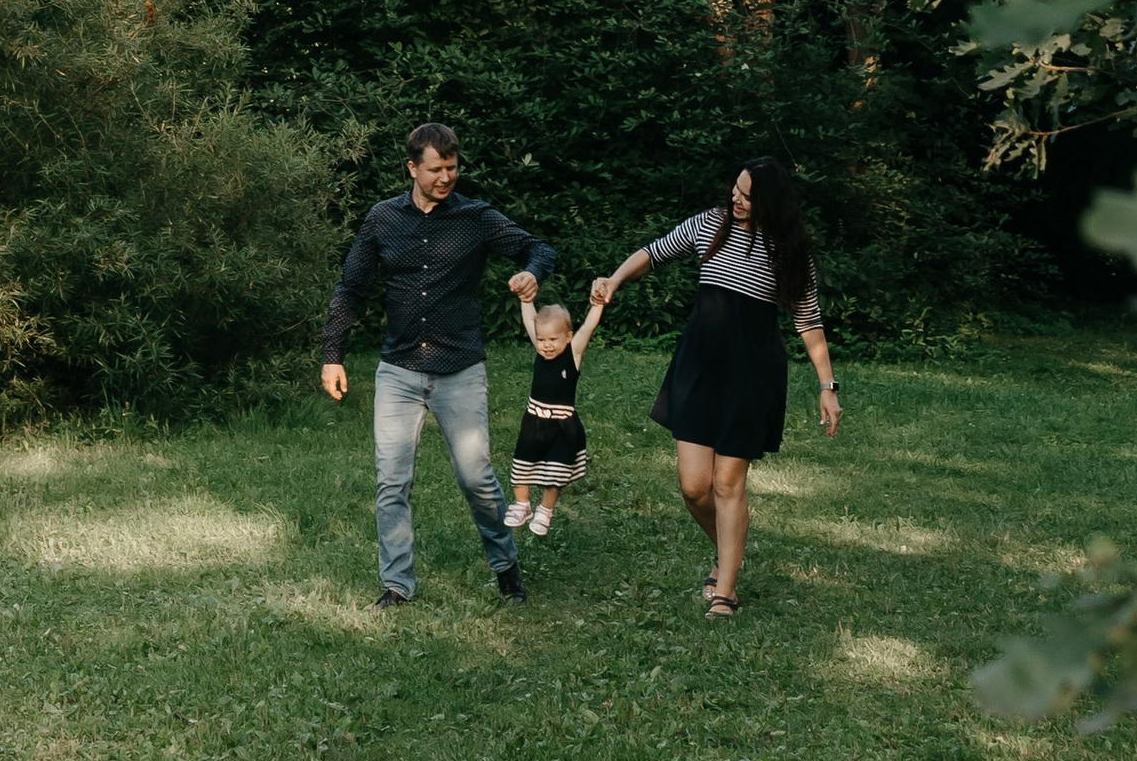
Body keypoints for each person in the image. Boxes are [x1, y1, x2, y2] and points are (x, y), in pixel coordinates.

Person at [320, 122, 558, 610]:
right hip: (399, 371)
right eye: (435, 169)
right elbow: (351, 288)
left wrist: (530, 273)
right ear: (412, 168)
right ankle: (397, 585)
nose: (445, 177)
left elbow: (539, 247)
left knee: (476, 478)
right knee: (392, 480)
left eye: (451, 167)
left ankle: (506, 567)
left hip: (460, 369)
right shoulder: (383, 219)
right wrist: (332, 355)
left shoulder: (475, 217)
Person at [592, 153, 838, 618]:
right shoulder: (712, 224)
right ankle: (729, 551)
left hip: (751, 374)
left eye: (747, 194)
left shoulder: (789, 250)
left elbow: (809, 321)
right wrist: (616, 279)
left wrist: (827, 384)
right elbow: (655, 250)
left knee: (728, 483)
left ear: (770, 200)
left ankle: (724, 592)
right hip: (699, 368)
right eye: (735, 189)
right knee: (693, 487)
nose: (736, 198)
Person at [504, 289, 604, 538]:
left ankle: (545, 510)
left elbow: (588, 327)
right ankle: (522, 505)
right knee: (521, 466)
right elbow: (530, 320)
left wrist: (598, 304)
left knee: (556, 472)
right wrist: (526, 300)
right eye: (541, 340)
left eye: (553, 340)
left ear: (568, 337)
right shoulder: (540, 350)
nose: (546, 345)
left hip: (562, 425)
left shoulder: (573, 353)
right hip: (533, 421)